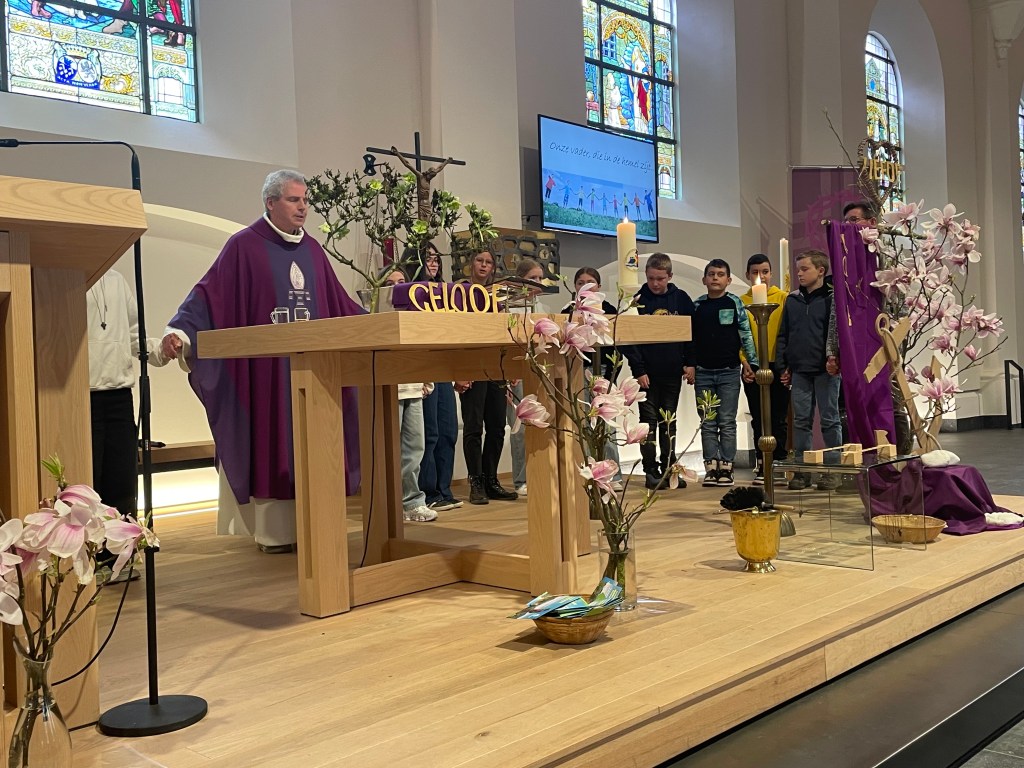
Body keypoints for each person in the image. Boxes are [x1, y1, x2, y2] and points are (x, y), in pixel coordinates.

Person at [160, 169, 364, 553]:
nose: (303, 207)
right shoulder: (244, 246)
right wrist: (182, 334)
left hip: (313, 372)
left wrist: (376, 323)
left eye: (305, 200)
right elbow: (209, 297)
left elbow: (339, 304)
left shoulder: (313, 250)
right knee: (274, 442)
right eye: (293, 199)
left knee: (313, 445)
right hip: (267, 376)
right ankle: (275, 533)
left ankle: (316, 525)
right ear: (271, 203)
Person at [88, 270, 170, 581]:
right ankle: (86, 563)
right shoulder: (64, 271)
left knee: (121, 481)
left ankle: (116, 560)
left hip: (120, 395)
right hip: (80, 394)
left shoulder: (116, 279)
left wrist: (162, 349)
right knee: (88, 482)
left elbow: (135, 337)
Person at [622, 253, 694, 490]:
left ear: (670, 276)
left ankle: (669, 469)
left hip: (672, 372)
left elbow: (691, 334)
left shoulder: (681, 299)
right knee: (648, 424)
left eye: (660, 279)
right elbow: (629, 339)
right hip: (647, 375)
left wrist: (690, 363)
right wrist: (639, 369)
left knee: (669, 422)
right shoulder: (637, 300)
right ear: (646, 275)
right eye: (651, 278)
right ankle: (650, 470)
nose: (655, 283)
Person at [686, 259, 757, 487]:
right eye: (711, 274)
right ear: (704, 279)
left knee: (726, 421)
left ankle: (726, 465)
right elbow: (690, 339)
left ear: (728, 280)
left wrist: (751, 362)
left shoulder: (734, 303)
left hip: (728, 371)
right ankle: (710, 466)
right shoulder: (697, 306)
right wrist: (689, 364)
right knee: (707, 421)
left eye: (720, 274)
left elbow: (745, 333)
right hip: (703, 372)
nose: (715, 278)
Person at [455, 251, 518, 505]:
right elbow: (456, 332)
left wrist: (510, 368)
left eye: (488, 262)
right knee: (473, 428)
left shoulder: (497, 296)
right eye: (479, 260)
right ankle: (476, 482)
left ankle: (491, 480)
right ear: (471, 264)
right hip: (471, 365)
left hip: (495, 367)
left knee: (497, 426)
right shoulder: (459, 293)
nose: (483, 265)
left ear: (493, 267)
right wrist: (459, 370)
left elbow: (504, 332)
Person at [776, 249, 841, 491]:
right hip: (800, 370)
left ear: (821, 271)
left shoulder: (831, 299)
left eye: (805, 269)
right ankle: (803, 472)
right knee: (801, 421)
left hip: (826, 370)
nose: (800, 274)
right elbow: (784, 334)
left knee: (829, 420)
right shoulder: (792, 300)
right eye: (798, 269)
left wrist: (835, 358)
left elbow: (836, 333)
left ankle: (833, 471)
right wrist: (783, 365)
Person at [413, 244, 461, 513]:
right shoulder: (413, 292)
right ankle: (429, 491)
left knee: (448, 430)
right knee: (429, 433)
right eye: (427, 259)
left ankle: (445, 490)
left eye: (436, 259)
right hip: (424, 365)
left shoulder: (445, 292)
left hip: (444, 365)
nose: (433, 263)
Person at [563, 267, 622, 482]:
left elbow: (616, 347)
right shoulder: (569, 310)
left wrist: (611, 377)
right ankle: (588, 474)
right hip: (577, 372)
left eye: (590, 282)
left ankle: (612, 476)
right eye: (581, 283)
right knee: (582, 424)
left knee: (606, 424)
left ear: (599, 286)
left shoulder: (610, 310)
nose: (585, 286)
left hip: (602, 371)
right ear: (575, 286)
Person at [740, 254, 790, 485]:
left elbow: (788, 332)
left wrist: (786, 364)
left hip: (777, 364)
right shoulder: (741, 301)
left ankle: (778, 462)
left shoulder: (784, 298)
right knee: (758, 417)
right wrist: (745, 362)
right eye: (755, 272)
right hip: (753, 366)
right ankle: (762, 463)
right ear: (747, 275)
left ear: (771, 273)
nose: (760, 276)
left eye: (765, 272)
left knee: (778, 417)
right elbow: (739, 335)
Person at [505, 257, 547, 498]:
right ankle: (521, 478)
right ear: (520, 280)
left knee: (540, 424)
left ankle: (540, 473)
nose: (538, 282)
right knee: (519, 428)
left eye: (540, 278)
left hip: (538, 372)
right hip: (517, 375)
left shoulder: (541, 306)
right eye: (532, 278)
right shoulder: (509, 306)